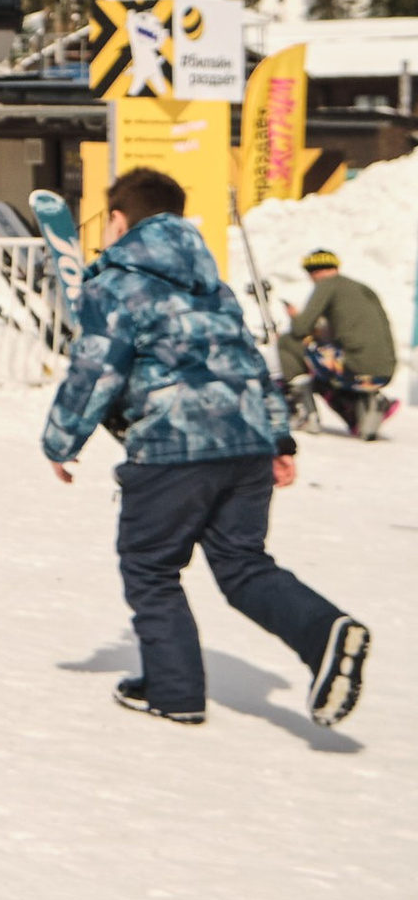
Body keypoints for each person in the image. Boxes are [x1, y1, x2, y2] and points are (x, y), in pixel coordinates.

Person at [45, 166, 370, 727]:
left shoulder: (116, 284)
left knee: (150, 566)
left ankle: (175, 692)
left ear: (120, 219)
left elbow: (96, 370)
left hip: (174, 447)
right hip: (244, 444)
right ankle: (324, 633)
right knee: (243, 564)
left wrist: (60, 440)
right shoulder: (211, 285)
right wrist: (277, 439)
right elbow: (248, 363)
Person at [279, 246, 399, 440]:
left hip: (356, 367)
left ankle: (304, 413)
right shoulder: (361, 288)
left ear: (313, 272)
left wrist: (294, 316)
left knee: (288, 342)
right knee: (326, 360)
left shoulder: (326, 285)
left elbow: (300, 329)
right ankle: (364, 408)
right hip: (384, 370)